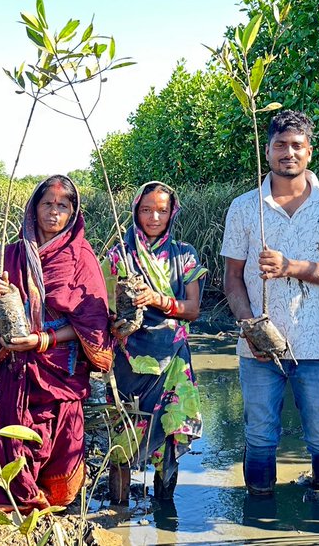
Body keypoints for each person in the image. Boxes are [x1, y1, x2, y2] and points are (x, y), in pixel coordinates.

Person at [0, 175, 113, 510]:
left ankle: (53, 498)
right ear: (34, 207)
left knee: (56, 431)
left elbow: (92, 322)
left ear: (73, 212)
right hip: (13, 363)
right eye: (47, 204)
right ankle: (11, 500)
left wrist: (42, 339)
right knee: (11, 428)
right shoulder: (10, 255)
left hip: (58, 366)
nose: (53, 212)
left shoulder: (81, 259)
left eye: (62, 206)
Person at [221, 109, 319, 496]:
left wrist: (289, 266)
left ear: (309, 152)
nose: (289, 153)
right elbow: (232, 280)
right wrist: (249, 327)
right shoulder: (244, 207)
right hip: (257, 349)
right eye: (280, 145)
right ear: (267, 151)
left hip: (317, 344)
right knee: (260, 437)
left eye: (297, 146)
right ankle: (258, 511)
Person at [102, 181, 208, 505]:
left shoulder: (184, 256)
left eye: (161, 210)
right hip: (127, 355)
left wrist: (158, 299)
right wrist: (116, 323)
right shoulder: (119, 255)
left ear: (171, 213)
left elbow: (191, 310)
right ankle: (118, 511)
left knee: (170, 432)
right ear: (136, 211)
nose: (154, 217)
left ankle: (166, 510)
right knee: (123, 432)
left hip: (172, 356)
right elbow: (102, 306)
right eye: (146, 209)